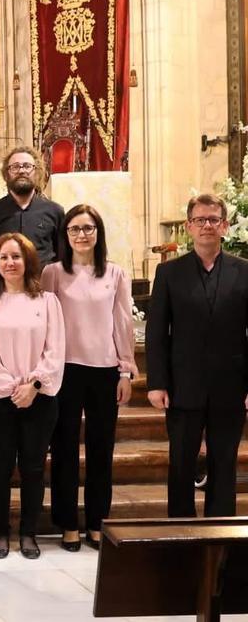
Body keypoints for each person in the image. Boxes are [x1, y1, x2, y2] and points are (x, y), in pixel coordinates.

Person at [146, 193, 248, 518]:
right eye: (200, 220)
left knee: (224, 463)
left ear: (225, 226)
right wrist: (157, 383)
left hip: (230, 386)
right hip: (182, 386)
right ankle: (181, 535)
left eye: (213, 219)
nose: (207, 225)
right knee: (181, 465)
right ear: (189, 226)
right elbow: (157, 333)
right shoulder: (168, 274)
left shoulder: (244, 271)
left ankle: (220, 542)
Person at [43, 205, 136, 550]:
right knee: (64, 449)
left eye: (88, 228)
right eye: (75, 229)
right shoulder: (53, 273)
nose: (82, 235)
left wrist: (125, 369)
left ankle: (97, 521)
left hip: (104, 370)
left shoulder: (114, 273)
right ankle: (68, 522)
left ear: (98, 233)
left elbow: (123, 323)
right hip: (65, 369)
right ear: (65, 235)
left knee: (101, 450)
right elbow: (45, 321)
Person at [0, 232, 65, 560]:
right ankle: (1, 532)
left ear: (28, 260)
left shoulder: (47, 301)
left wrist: (34, 386)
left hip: (39, 398)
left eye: (15, 256)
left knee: (33, 468)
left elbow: (56, 349)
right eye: (3, 258)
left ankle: (28, 532)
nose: (10, 263)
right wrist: (11, 387)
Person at [0, 146, 64, 265]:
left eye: (27, 166)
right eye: (15, 167)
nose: (21, 171)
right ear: (6, 174)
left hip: (45, 281)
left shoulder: (55, 211)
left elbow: (63, 257)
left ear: (37, 172)